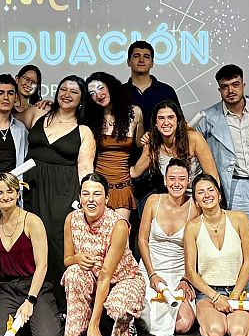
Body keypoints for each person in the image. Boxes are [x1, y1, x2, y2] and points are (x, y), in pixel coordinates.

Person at [196, 64, 249, 296]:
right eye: (224, 87)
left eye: (235, 85)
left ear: (243, 84)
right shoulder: (208, 117)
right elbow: (187, 140)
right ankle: (246, 296)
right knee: (239, 243)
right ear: (219, 90)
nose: (231, 90)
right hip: (235, 185)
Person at [18, 75, 96, 308]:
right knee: (30, 242)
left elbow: (85, 168)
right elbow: (5, 116)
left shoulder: (84, 131)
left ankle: (63, 305)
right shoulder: (37, 114)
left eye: (74, 91)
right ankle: (34, 302)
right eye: (63, 88)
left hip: (64, 193)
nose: (67, 94)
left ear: (81, 100)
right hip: (32, 189)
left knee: (58, 243)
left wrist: (84, 200)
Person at [62, 174, 144, 336]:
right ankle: (80, 330)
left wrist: (95, 324)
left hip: (122, 279)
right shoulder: (71, 219)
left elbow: (106, 275)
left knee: (118, 307)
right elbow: (67, 260)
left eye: (97, 194)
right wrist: (77, 258)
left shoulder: (118, 225)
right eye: (86, 194)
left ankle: (120, 321)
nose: (91, 199)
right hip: (93, 278)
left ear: (106, 198)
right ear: (80, 197)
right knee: (73, 273)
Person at [0, 173, 62, 336]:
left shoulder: (32, 221)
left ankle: (43, 319)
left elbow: (42, 265)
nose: (5, 197)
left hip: (34, 285)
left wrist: (30, 299)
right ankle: (23, 326)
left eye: (10, 191)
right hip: (8, 288)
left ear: (18, 193)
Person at [184, 173, 249, 336]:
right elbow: (190, 272)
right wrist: (216, 297)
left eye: (211, 190)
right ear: (196, 201)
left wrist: (235, 295)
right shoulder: (192, 227)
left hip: (240, 291)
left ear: (219, 194)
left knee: (239, 334)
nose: (207, 195)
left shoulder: (239, 219)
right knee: (216, 332)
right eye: (200, 192)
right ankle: (208, 316)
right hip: (209, 293)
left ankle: (235, 318)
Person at [136, 159, 198, 336]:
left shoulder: (194, 206)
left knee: (183, 324)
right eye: (172, 178)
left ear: (188, 181)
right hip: (151, 270)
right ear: (165, 180)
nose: (176, 184)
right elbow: (142, 240)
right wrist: (152, 274)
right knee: (143, 314)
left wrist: (187, 278)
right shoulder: (153, 201)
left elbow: (196, 248)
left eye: (181, 179)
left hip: (179, 274)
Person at [85, 72, 143, 219]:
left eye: (100, 88)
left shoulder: (135, 113)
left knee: (121, 235)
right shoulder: (90, 117)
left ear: (111, 86)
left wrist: (136, 170)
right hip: (97, 186)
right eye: (92, 92)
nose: (98, 95)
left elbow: (140, 143)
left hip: (122, 186)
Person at [131, 100, 219, 193]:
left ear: (178, 121)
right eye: (161, 118)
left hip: (198, 196)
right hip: (174, 198)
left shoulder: (194, 139)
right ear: (155, 123)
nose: (166, 123)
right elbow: (134, 172)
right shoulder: (152, 144)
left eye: (170, 117)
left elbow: (213, 177)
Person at [123, 40, 179, 132]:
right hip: (126, 146)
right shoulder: (119, 92)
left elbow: (178, 123)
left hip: (160, 146)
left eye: (146, 56)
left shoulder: (167, 91)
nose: (141, 60)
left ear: (152, 63)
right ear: (128, 62)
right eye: (136, 56)